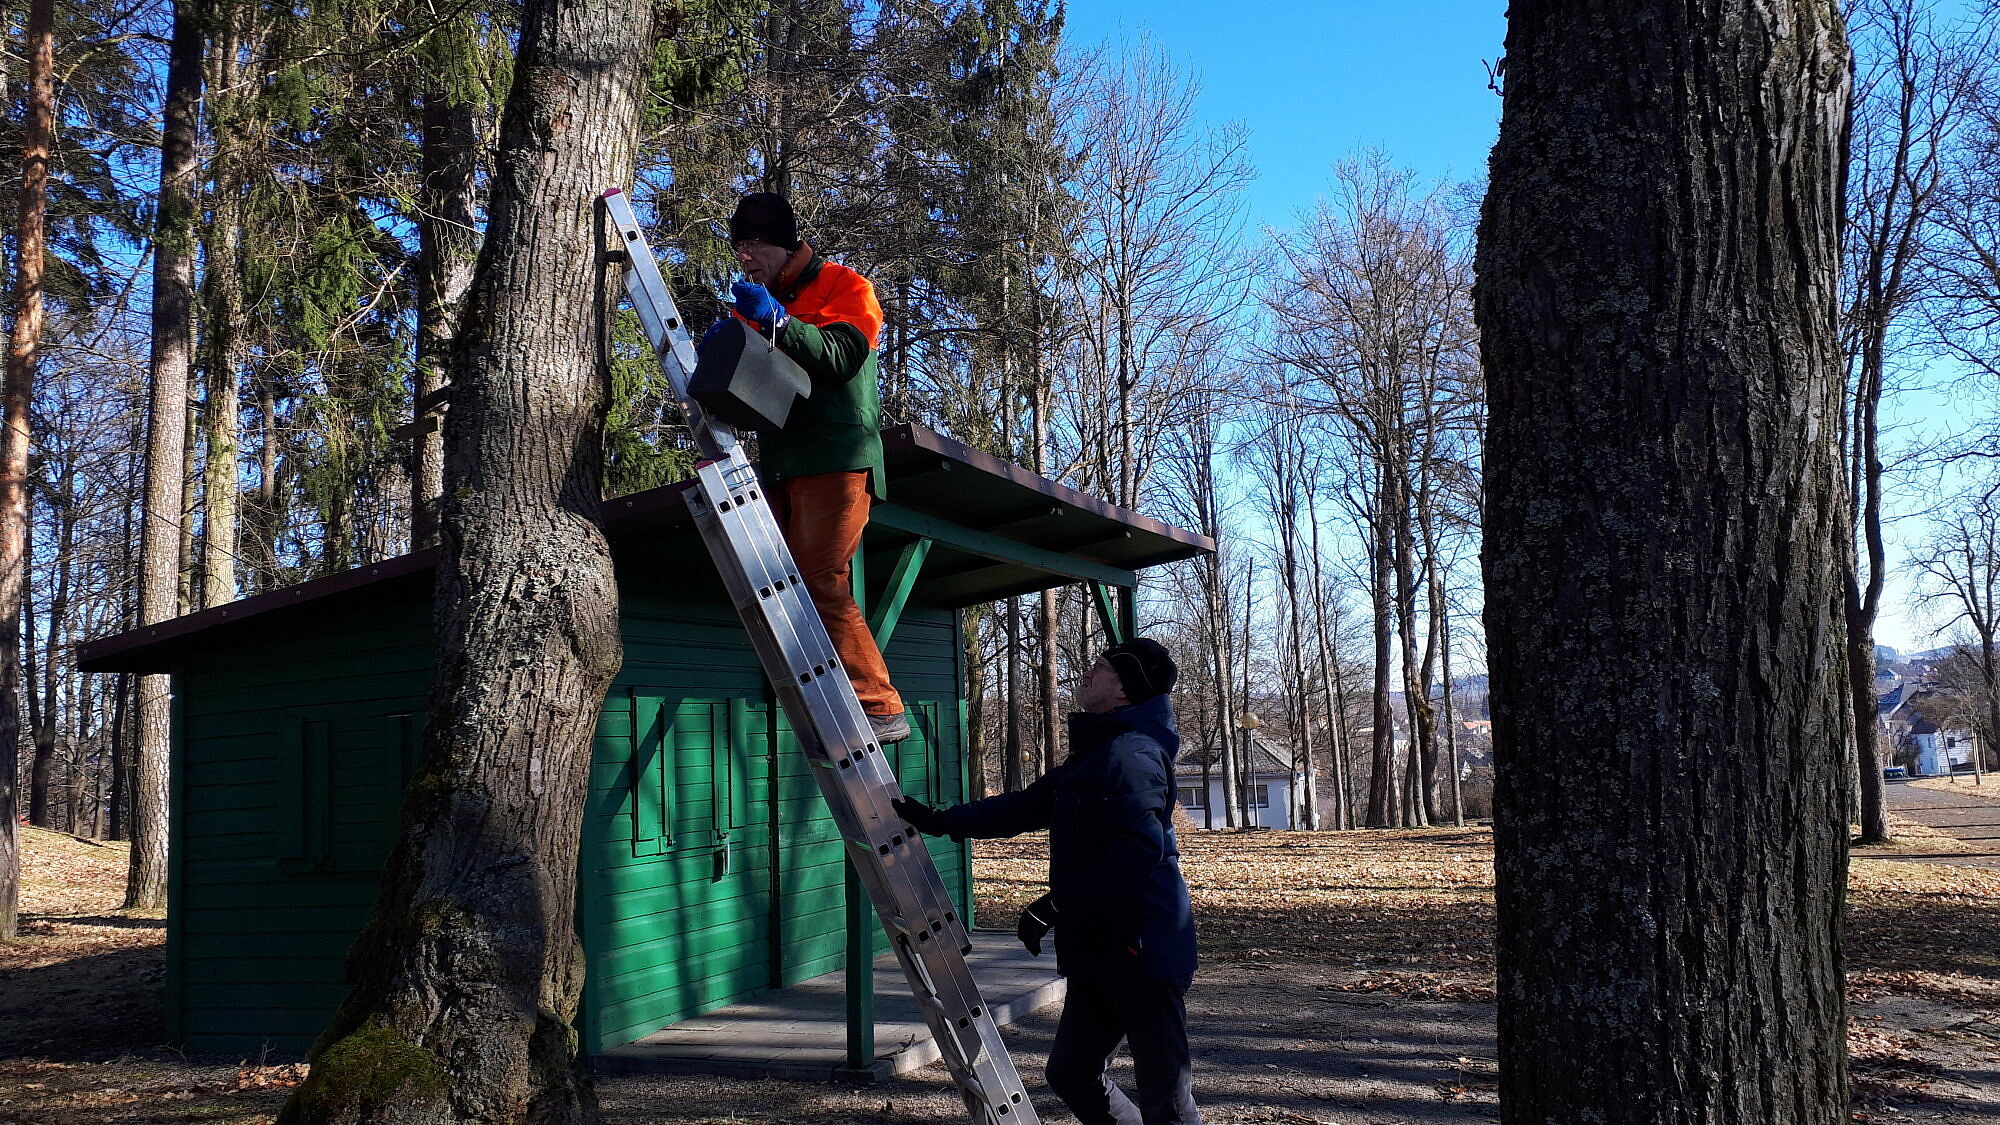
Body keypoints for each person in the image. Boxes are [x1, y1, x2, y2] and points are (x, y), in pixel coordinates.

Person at [894, 637, 1200, 1125]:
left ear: (1123, 690)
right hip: (1101, 951)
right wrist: (940, 821)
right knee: (1073, 1071)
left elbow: (1137, 852)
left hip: (1145, 951)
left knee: (1166, 1098)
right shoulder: (1098, 752)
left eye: (1098, 668)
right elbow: (1024, 805)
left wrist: (1056, 905)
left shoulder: (1132, 755)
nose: (1086, 673)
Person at [709, 191, 909, 744]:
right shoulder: (753, 301)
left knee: (821, 577)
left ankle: (880, 704)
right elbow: (755, 387)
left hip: (837, 458)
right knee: (782, 585)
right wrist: (722, 356)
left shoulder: (846, 285)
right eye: (737, 247)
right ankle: (829, 697)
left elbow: (843, 358)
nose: (744, 257)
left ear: (782, 242)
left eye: (752, 245)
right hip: (781, 462)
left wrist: (779, 325)